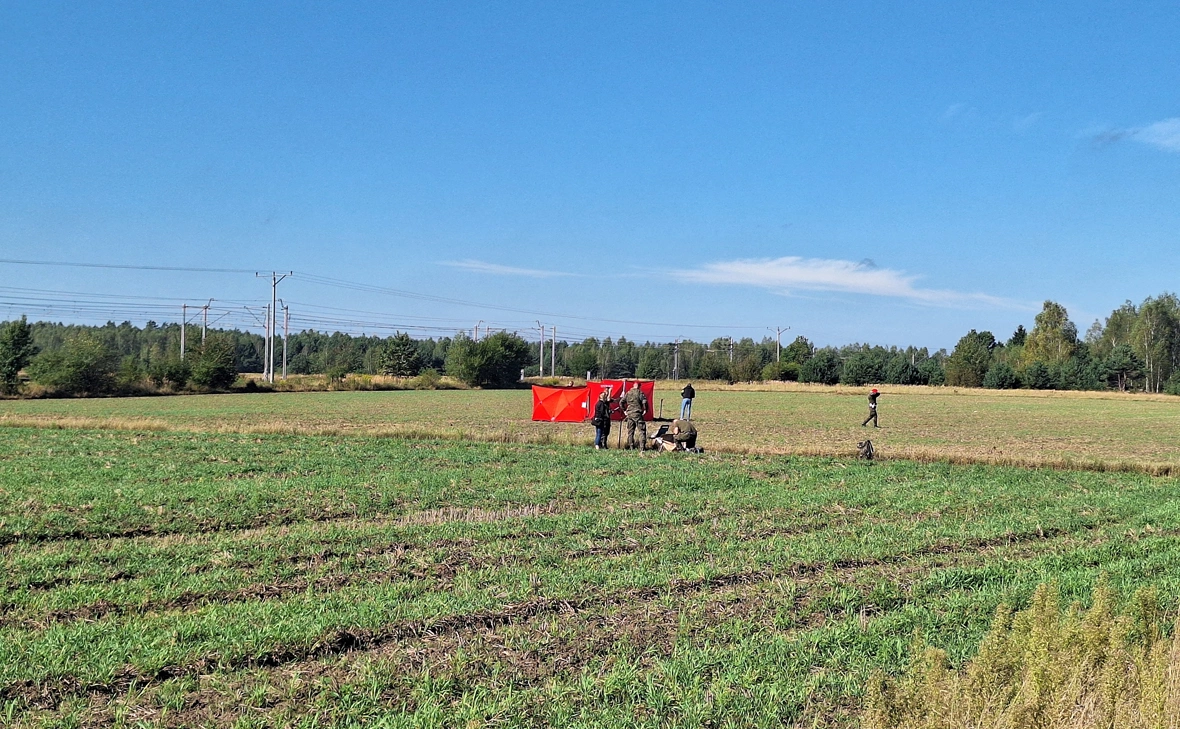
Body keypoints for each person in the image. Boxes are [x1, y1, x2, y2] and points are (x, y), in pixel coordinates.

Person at [622, 382, 648, 450]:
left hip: (630, 414)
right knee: (642, 431)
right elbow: (644, 402)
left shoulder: (628, 393)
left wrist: (624, 410)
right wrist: (645, 409)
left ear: (633, 386)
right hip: (637, 414)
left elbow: (621, 402)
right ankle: (642, 448)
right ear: (639, 386)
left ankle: (631, 447)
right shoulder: (640, 393)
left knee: (630, 432)